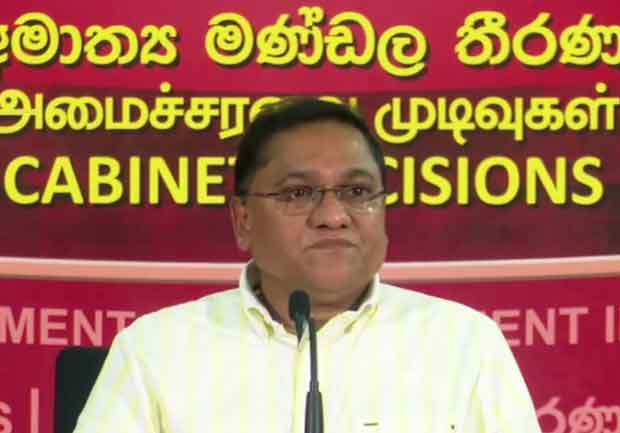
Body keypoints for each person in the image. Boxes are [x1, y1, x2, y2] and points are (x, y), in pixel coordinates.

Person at [74, 98, 542, 433]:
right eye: (298, 193)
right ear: (243, 219)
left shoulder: (464, 343)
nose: (333, 216)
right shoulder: (157, 349)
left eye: (357, 192)